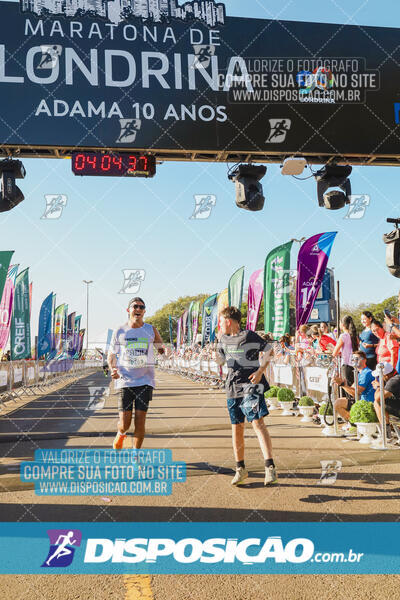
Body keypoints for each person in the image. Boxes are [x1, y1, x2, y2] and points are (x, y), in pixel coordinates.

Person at [216, 306, 276, 486]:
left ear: (228, 321)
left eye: (220, 321)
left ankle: (270, 468)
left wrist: (260, 371)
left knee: (258, 423)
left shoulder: (248, 336)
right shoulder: (223, 339)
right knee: (237, 428)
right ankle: (240, 469)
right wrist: (218, 345)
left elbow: (269, 350)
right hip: (232, 387)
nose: (219, 325)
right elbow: (220, 361)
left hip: (250, 384)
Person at [108, 297, 165, 450]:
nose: (138, 309)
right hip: (125, 380)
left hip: (145, 381)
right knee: (125, 423)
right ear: (128, 310)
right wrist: (113, 368)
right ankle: (121, 433)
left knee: (140, 421)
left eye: (141, 307)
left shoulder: (151, 329)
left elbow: (161, 348)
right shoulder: (120, 330)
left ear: (144, 311)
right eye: (135, 306)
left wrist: (162, 351)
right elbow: (112, 354)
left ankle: (135, 455)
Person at [332, 351, 376, 432]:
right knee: (338, 403)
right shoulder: (360, 373)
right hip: (361, 400)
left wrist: (343, 385)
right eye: (352, 359)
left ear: (364, 360)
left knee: (338, 403)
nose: (354, 361)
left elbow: (357, 392)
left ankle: (355, 424)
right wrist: (342, 384)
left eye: (356, 359)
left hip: (368, 403)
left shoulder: (366, 373)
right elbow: (352, 392)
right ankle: (354, 423)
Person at [372, 362, 400, 439]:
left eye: (379, 376)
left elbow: (377, 398)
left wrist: (378, 387)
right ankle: (387, 430)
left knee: (377, 403)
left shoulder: (394, 381)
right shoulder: (394, 378)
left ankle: (386, 432)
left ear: (386, 375)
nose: (378, 378)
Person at [332, 315, 359, 387]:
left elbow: (335, 352)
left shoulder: (343, 336)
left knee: (347, 386)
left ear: (342, 324)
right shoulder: (354, 335)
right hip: (354, 363)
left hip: (346, 363)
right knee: (353, 386)